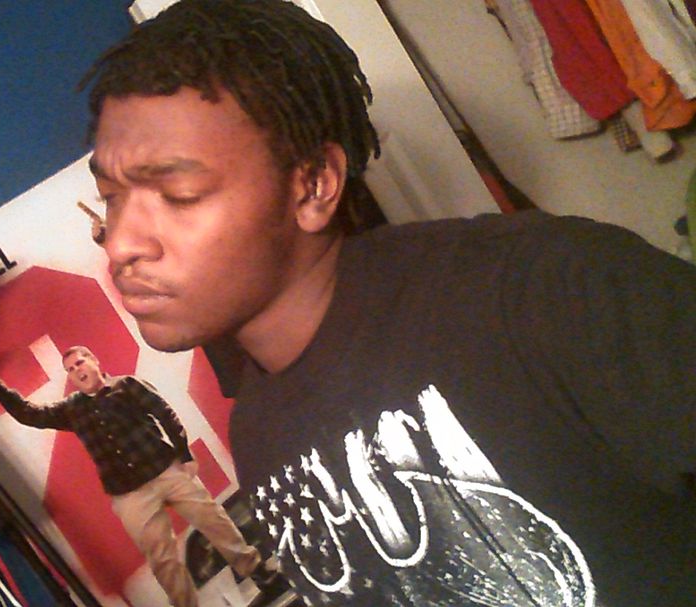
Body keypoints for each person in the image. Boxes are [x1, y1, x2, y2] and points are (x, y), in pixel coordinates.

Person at [79, 0, 696, 605]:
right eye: (112, 198)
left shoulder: (546, 285)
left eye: (179, 193)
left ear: (313, 185)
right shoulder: (258, 434)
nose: (123, 242)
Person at [0, 344, 275, 607]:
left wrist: (184, 454)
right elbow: (30, 414)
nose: (77, 371)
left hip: (165, 469)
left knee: (214, 521)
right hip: (129, 494)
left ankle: (258, 571)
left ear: (94, 361)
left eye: (80, 362)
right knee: (163, 560)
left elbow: (164, 413)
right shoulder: (72, 409)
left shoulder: (127, 385)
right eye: (70, 369)